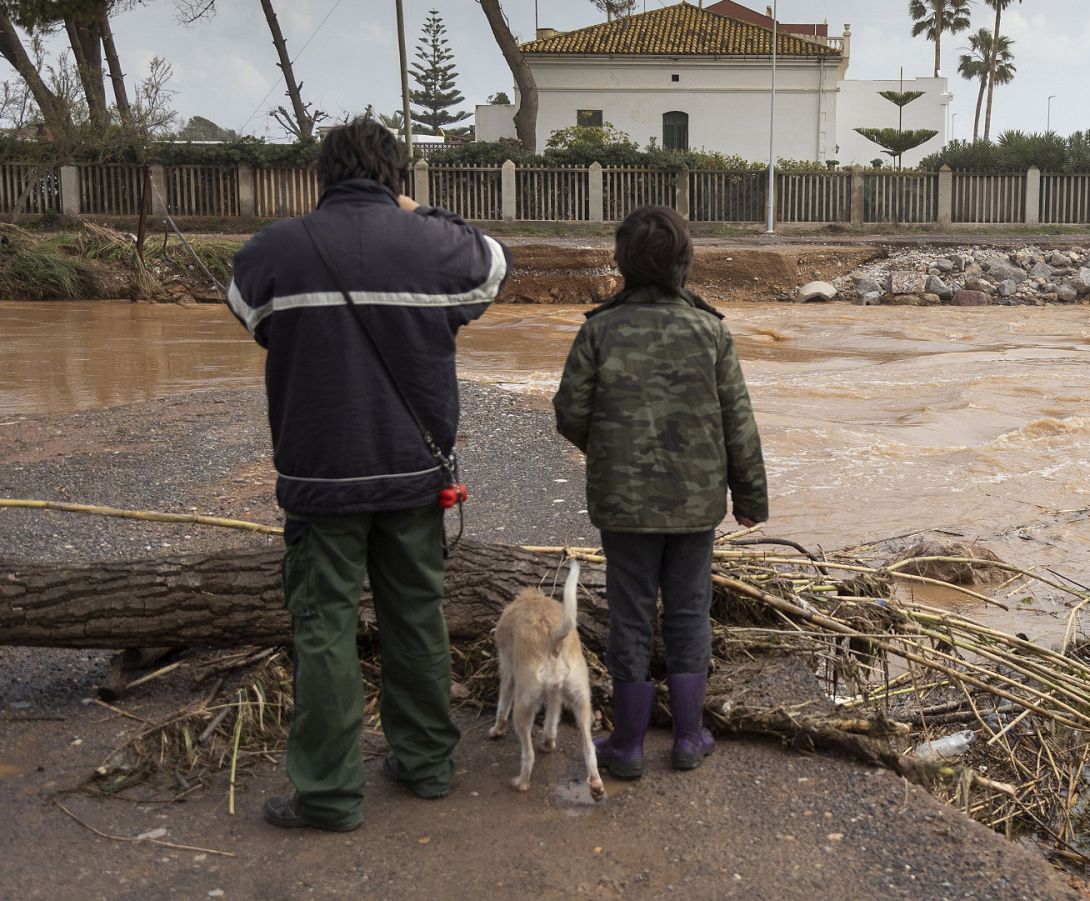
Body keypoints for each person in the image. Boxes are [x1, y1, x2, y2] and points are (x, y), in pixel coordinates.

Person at [227, 119, 508, 831]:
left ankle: (327, 794)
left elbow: (248, 312)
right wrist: (420, 213)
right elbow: (493, 263)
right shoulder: (433, 244)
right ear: (396, 177)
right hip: (415, 475)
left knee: (323, 628)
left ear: (322, 175)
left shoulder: (276, 250)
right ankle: (426, 765)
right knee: (416, 616)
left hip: (320, 480)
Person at [552, 204, 767, 779]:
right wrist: (750, 499)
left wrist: (610, 451)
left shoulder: (599, 328)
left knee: (629, 615)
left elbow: (569, 411)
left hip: (623, 504)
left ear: (622, 263)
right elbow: (737, 422)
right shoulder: (710, 330)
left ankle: (625, 746)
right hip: (696, 504)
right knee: (690, 613)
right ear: (683, 263)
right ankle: (689, 738)